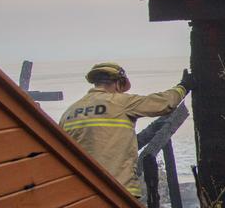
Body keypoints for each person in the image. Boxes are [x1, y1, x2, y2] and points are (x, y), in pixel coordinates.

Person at [60, 62, 193, 199]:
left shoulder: (69, 112)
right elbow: (163, 103)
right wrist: (183, 86)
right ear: (118, 84)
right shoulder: (121, 102)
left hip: (81, 191)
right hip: (118, 188)